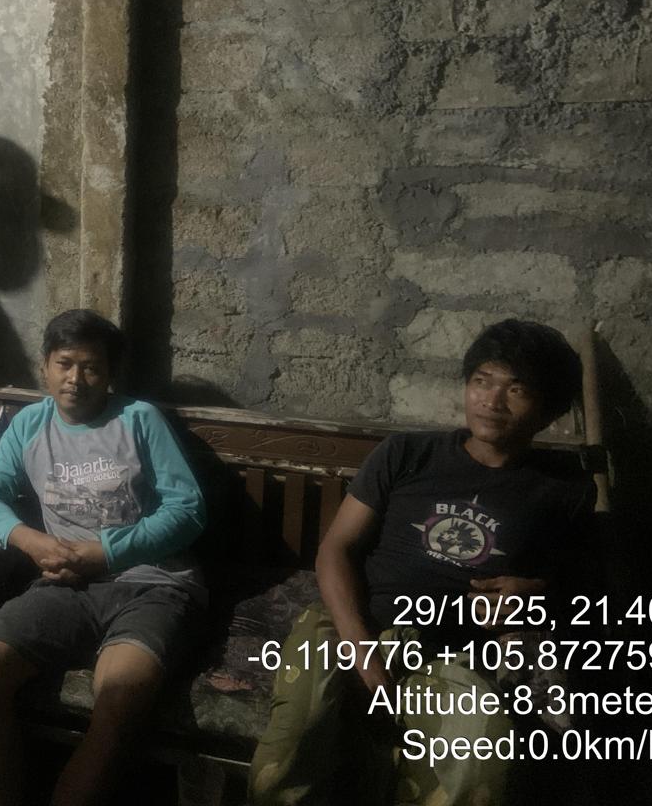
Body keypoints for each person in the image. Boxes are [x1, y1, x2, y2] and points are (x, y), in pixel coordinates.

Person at [249, 319, 596, 806]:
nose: (492, 401)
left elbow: (579, 588)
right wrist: (363, 653)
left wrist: (533, 593)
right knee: (295, 742)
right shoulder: (408, 454)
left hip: (455, 652)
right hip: (354, 622)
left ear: (549, 409)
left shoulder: (562, 491)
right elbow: (335, 550)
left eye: (516, 389)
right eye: (482, 381)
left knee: (479, 762)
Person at [0, 309, 208, 806]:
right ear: (46, 366)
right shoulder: (29, 424)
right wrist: (28, 540)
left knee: (121, 691)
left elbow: (188, 509)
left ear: (110, 373)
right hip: (65, 585)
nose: (75, 379)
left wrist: (105, 551)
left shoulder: (139, 419)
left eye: (91, 367)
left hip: (151, 585)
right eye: (65, 364)